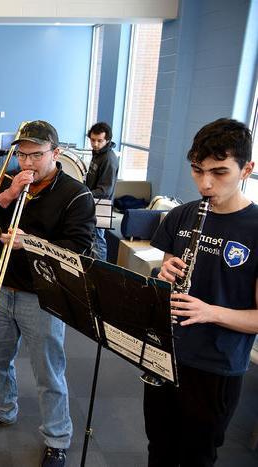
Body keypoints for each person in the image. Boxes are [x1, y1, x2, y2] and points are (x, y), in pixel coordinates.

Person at [0, 120, 96, 467]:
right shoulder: (8, 180)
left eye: (36, 155)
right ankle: (2, 410)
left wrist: (32, 244)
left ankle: (57, 438)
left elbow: (78, 248)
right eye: (22, 155)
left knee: (47, 370)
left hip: (43, 297)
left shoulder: (76, 195)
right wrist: (6, 196)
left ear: (56, 153)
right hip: (0, 286)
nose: (27, 163)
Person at [145, 118, 258, 467]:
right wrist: (162, 276)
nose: (205, 183)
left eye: (219, 172)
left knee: (197, 456)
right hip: (167, 353)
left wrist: (210, 312)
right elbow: (163, 283)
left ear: (247, 169)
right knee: (159, 449)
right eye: (197, 170)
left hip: (216, 366)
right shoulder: (180, 215)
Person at [84, 121, 119, 261]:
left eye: (100, 141)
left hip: (101, 205)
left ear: (107, 140)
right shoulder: (98, 153)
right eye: (93, 140)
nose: (95, 144)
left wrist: (83, 193)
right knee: (92, 238)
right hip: (93, 201)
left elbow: (105, 190)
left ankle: (100, 273)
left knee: (98, 241)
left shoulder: (109, 159)